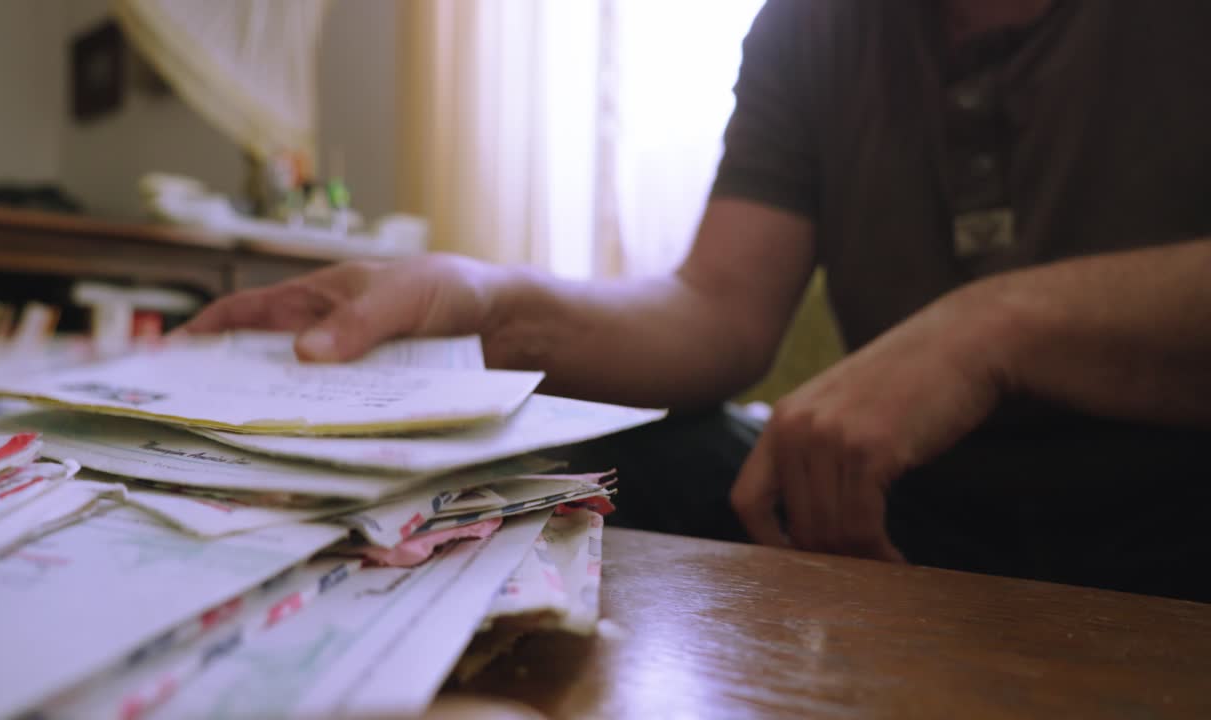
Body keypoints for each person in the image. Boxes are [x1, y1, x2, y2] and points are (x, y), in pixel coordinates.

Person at [181, 0, 1211, 601]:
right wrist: (483, 303)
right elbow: (715, 312)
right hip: (897, 508)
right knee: (611, 460)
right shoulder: (810, 28)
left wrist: (994, 327)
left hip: (1172, 502)